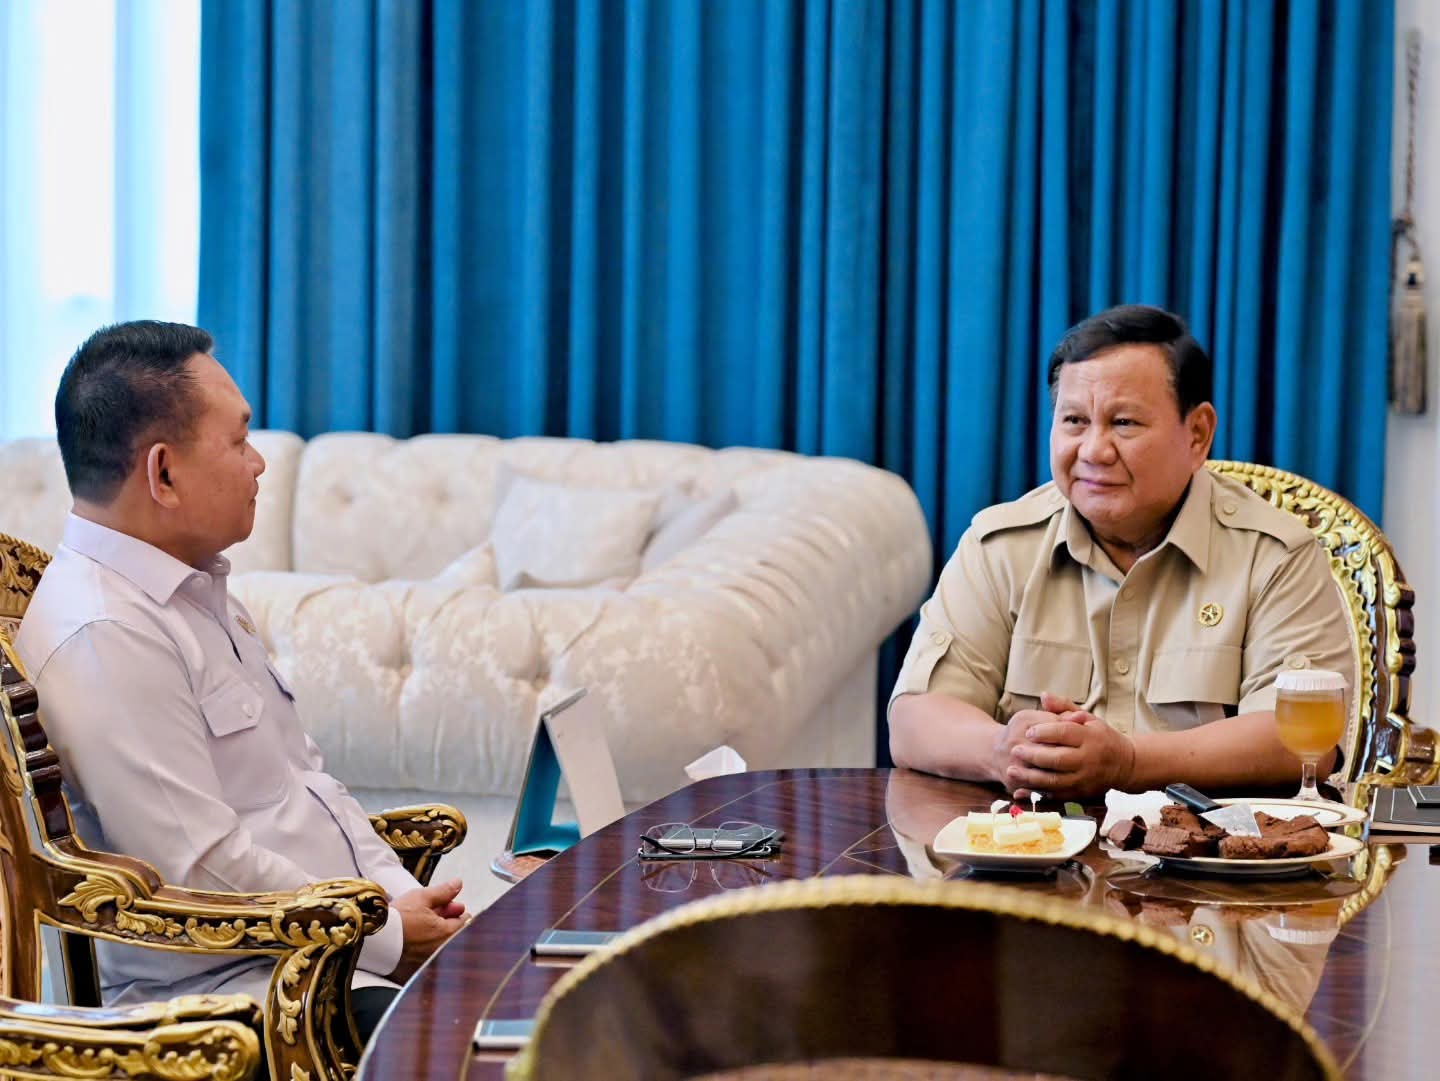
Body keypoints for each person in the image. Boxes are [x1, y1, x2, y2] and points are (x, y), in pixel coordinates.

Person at [14, 321, 466, 1039]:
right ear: (163, 473)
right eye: (239, 440)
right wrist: (385, 932)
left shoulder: (193, 594)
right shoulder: (106, 630)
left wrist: (405, 906)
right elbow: (198, 867)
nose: (259, 464)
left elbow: (311, 789)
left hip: (335, 954)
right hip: (240, 997)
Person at [888, 304, 1353, 799]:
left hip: (1213, 846)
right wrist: (1003, 750)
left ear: (1197, 434)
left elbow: (1300, 743)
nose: (1093, 450)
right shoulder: (1000, 546)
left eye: (1124, 422)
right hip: (1029, 842)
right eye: (1074, 421)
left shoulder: (1274, 555)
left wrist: (1129, 763)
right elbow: (915, 719)